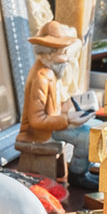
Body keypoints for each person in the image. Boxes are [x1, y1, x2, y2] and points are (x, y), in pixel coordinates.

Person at [15, 20, 93, 179]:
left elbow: (52, 108)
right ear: (49, 53)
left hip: (51, 126)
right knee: (86, 136)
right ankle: (78, 174)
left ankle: (85, 168)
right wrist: (68, 119)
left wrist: (72, 104)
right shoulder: (41, 78)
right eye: (63, 54)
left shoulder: (49, 72)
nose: (68, 59)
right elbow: (37, 120)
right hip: (40, 134)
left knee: (95, 126)